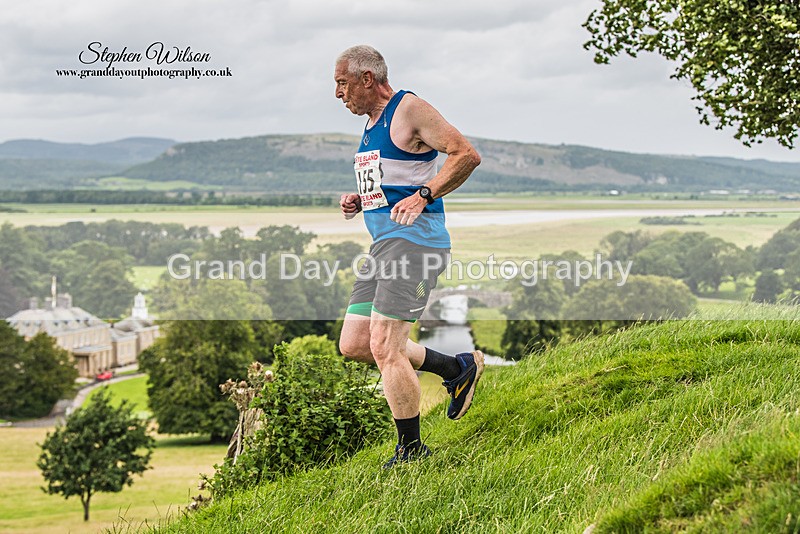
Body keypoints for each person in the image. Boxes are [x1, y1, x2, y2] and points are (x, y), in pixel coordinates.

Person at [334, 45, 484, 468]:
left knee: (385, 346)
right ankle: (455, 368)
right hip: (383, 246)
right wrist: (362, 200)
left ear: (367, 78)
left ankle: (411, 451)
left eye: (342, 83)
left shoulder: (409, 109)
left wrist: (425, 195)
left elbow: (465, 155)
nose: (338, 94)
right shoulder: (371, 125)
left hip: (415, 244)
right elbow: (395, 180)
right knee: (357, 344)